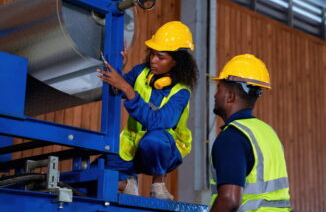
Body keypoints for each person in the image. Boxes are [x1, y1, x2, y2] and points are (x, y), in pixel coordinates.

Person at [96, 21, 198, 200]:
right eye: (152, 54)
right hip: (131, 148)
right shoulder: (141, 72)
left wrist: (128, 90)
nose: (153, 60)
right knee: (93, 176)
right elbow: (117, 88)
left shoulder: (181, 93)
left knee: (154, 139)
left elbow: (156, 122)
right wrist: (121, 68)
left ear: (176, 62)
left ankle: (158, 184)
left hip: (163, 149)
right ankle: (127, 184)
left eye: (161, 57)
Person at [210, 54, 291, 211]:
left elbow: (229, 199)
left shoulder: (232, 137)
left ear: (230, 97)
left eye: (218, 89)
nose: (215, 95)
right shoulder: (268, 133)